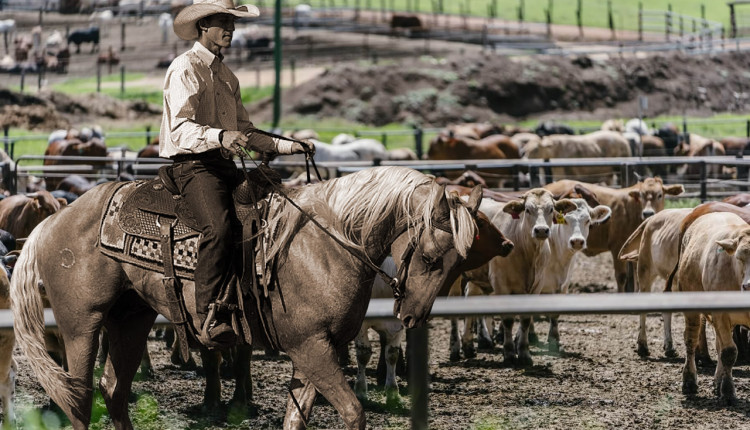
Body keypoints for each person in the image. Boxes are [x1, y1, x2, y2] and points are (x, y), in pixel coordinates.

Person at [161, 0, 310, 346]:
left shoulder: (227, 76)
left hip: (222, 164)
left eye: (232, 23)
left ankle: (257, 295)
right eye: (222, 22)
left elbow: (246, 128)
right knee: (219, 226)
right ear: (203, 27)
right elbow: (180, 128)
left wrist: (289, 146)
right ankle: (209, 314)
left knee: (272, 209)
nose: (229, 29)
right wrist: (220, 136)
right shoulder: (185, 68)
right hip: (192, 166)